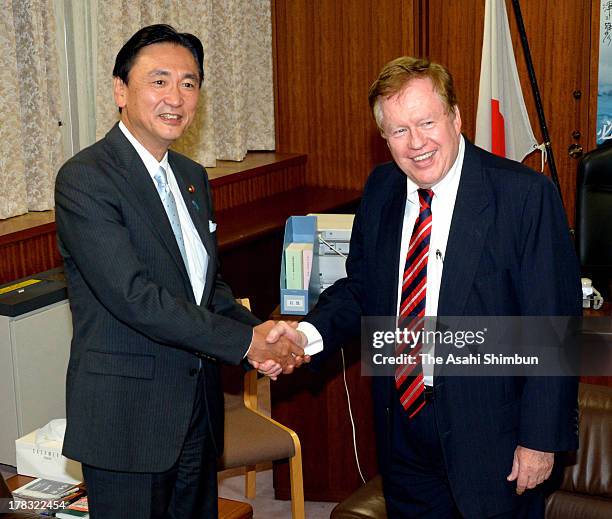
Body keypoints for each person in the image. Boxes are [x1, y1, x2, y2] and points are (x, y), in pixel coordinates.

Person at [267, 57, 581, 518]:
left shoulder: (523, 196)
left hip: (493, 433)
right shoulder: (381, 189)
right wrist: (305, 336)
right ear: (384, 138)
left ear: (455, 117)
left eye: (427, 122)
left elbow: (556, 328)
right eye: (398, 131)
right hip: (404, 426)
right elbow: (361, 290)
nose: (416, 144)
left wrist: (539, 441)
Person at [55, 24, 304, 519]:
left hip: (196, 411)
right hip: (128, 418)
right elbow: (135, 297)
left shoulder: (191, 177)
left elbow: (206, 290)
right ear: (120, 90)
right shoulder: (86, 179)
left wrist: (261, 333)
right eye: (159, 80)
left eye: (189, 83)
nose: (176, 97)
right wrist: (247, 346)